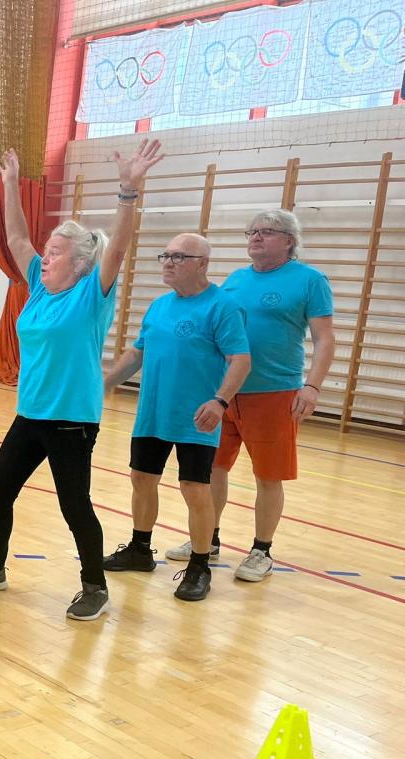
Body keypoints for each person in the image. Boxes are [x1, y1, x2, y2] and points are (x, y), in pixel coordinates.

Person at [0, 140, 164, 621]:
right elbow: (16, 238)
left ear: (81, 263)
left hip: (71, 421)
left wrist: (128, 190)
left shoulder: (92, 293)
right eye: (46, 252)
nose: (45, 258)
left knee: (74, 506)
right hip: (30, 415)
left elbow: (119, 247)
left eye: (56, 253)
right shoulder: (39, 288)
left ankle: (94, 587)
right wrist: (9, 184)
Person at [164, 210, 335, 583]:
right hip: (224, 392)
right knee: (212, 469)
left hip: (274, 392)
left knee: (268, 475)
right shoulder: (237, 279)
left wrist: (312, 386)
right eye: (252, 231)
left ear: (289, 241)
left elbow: (324, 339)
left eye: (267, 232)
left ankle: (261, 551)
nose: (256, 237)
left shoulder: (309, 280)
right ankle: (208, 539)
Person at [102, 234, 251, 601]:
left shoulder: (222, 306)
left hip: (197, 416)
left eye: (179, 257)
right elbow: (137, 354)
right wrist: (102, 385)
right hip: (153, 412)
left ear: (202, 264)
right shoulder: (159, 306)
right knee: (141, 478)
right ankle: (140, 549)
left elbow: (240, 360)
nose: (168, 262)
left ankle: (200, 565)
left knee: (194, 487)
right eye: (165, 255)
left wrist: (220, 402)